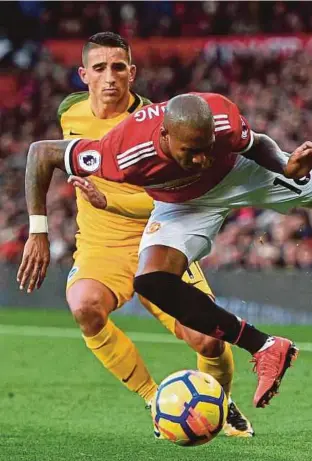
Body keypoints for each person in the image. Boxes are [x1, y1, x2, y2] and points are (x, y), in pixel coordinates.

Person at [17, 80, 312, 407]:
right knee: (152, 281)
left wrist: (286, 167)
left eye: (203, 149)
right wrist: (38, 230)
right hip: (182, 204)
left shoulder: (221, 118)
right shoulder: (118, 153)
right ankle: (265, 346)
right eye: (189, 151)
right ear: (164, 134)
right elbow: (41, 153)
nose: (198, 158)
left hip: (245, 174)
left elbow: (256, 143)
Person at [36, 32, 255, 437]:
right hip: (102, 246)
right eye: (99, 68)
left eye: (119, 67)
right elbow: (45, 158)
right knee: (84, 305)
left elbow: (172, 198)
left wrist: (110, 202)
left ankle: (220, 406)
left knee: (209, 340)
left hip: (159, 239)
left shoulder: (164, 127)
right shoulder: (70, 113)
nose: (110, 77)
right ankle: (156, 400)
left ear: (132, 73)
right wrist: (39, 230)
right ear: (83, 74)